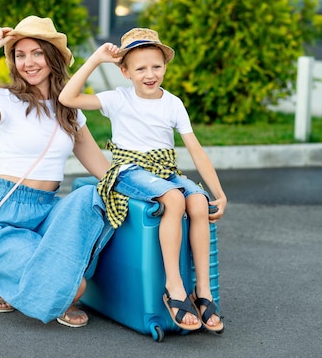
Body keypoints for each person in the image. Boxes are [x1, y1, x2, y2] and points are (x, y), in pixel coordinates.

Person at [0, 15, 111, 327]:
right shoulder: (4, 101)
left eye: (37, 53)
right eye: (20, 55)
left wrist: (151, 189)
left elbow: (103, 169)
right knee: (76, 289)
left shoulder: (68, 108)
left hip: (48, 212)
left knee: (90, 197)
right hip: (7, 215)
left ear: (53, 57)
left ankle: (20, 277)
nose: (28, 62)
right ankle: (3, 275)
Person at [59, 28, 227, 333]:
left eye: (156, 66)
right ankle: (173, 287)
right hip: (129, 171)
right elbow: (66, 97)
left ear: (165, 66)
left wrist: (218, 192)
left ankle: (203, 291)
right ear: (124, 71)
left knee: (199, 202)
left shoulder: (172, 103)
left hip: (163, 170)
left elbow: (196, 149)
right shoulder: (117, 99)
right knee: (174, 199)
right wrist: (96, 59)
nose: (150, 74)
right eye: (140, 68)